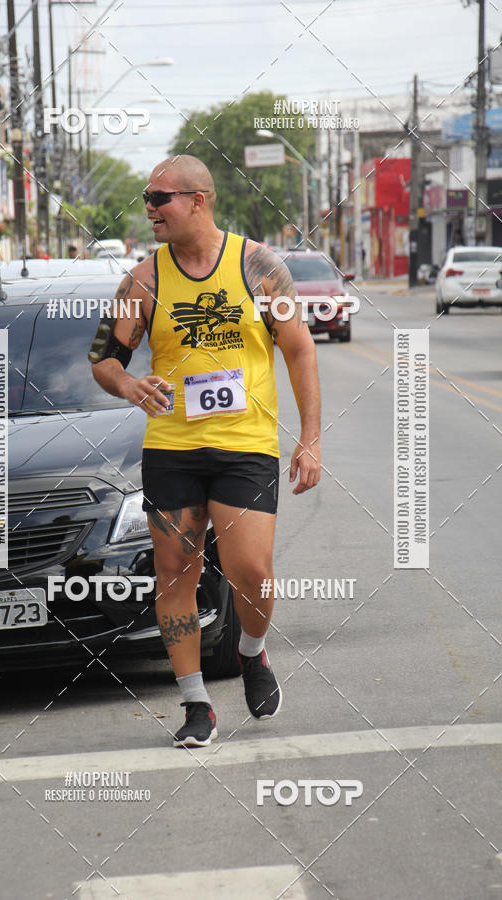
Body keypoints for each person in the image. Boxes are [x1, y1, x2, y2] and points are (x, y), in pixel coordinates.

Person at [89, 155, 320, 748]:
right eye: (146, 197)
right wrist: (128, 384)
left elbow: (298, 349)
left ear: (198, 200)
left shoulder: (260, 267)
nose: (149, 207)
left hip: (246, 446)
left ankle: (252, 650)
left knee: (252, 572)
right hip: (173, 448)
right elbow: (104, 359)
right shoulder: (142, 281)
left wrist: (310, 438)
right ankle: (196, 703)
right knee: (174, 573)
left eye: (159, 197)